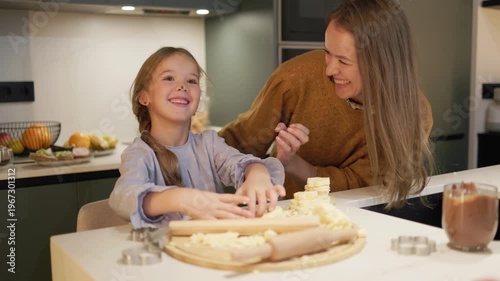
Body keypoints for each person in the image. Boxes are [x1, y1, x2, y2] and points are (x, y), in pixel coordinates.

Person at [219, 0, 434, 208]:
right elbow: (239, 144)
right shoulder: (295, 78)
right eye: (327, 53)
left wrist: (295, 164)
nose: (330, 70)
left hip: (360, 216)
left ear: (382, 65)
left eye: (343, 61)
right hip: (286, 211)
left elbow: (358, 185)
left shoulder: (416, 114)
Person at [109, 47, 286, 227]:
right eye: (169, 78)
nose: (182, 86)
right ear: (144, 97)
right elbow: (123, 197)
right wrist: (179, 198)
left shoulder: (209, 143)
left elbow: (241, 163)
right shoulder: (139, 153)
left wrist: (257, 174)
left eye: (191, 81)